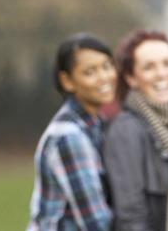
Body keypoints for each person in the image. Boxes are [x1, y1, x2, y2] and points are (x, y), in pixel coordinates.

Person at [103, 30, 168, 231]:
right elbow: (131, 219)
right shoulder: (126, 130)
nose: (162, 74)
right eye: (149, 67)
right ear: (131, 78)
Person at [28, 33, 116, 231]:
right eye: (90, 72)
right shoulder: (69, 135)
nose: (104, 77)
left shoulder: (97, 124)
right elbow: (95, 222)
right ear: (67, 81)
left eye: (107, 66)